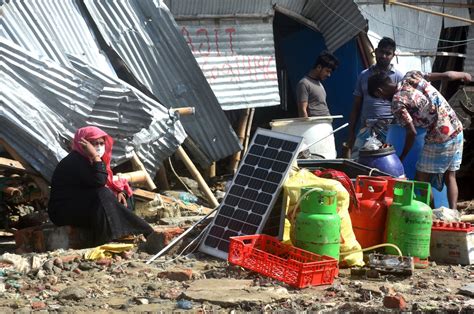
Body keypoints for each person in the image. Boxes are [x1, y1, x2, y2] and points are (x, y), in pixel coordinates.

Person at [367, 70, 471, 209]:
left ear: (379, 92)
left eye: (378, 97)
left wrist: (402, 156)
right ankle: (453, 213)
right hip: (456, 127)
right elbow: (446, 76)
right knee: (450, 176)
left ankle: (433, 214)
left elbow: (412, 132)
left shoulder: (397, 102)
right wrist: (464, 75)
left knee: (421, 180)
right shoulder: (411, 76)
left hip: (440, 136)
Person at [48, 126, 154, 245]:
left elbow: (105, 182)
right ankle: (127, 232)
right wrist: (95, 156)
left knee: (123, 195)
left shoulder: (90, 160)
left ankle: (125, 232)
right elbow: (99, 182)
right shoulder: (75, 161)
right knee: (103, 193)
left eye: (101, 143)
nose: (98, 147)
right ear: (83, 144)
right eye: (93, 143)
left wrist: (121, 192)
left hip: (84, 205)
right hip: (63, 211)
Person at [345, 37, 404, 159]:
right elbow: (356, 106)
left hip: (390, 127)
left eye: (388, 53)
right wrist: (351, 133)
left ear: (393, 55)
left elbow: (403, 105)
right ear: (376, 51)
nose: (383, 56)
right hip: (367, 126)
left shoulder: (398, 76)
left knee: (387, 161)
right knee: (359, 159)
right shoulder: (364, 75)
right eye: (381, 52)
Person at [296, 51, 339, 118]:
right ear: (319, 67)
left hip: (326, 124)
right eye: (327, 71)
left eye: (330, 72)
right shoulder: (304, 83)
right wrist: (307, 126)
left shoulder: (319, 84)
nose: (329, 75)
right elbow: (302, 110)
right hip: (315, 126)